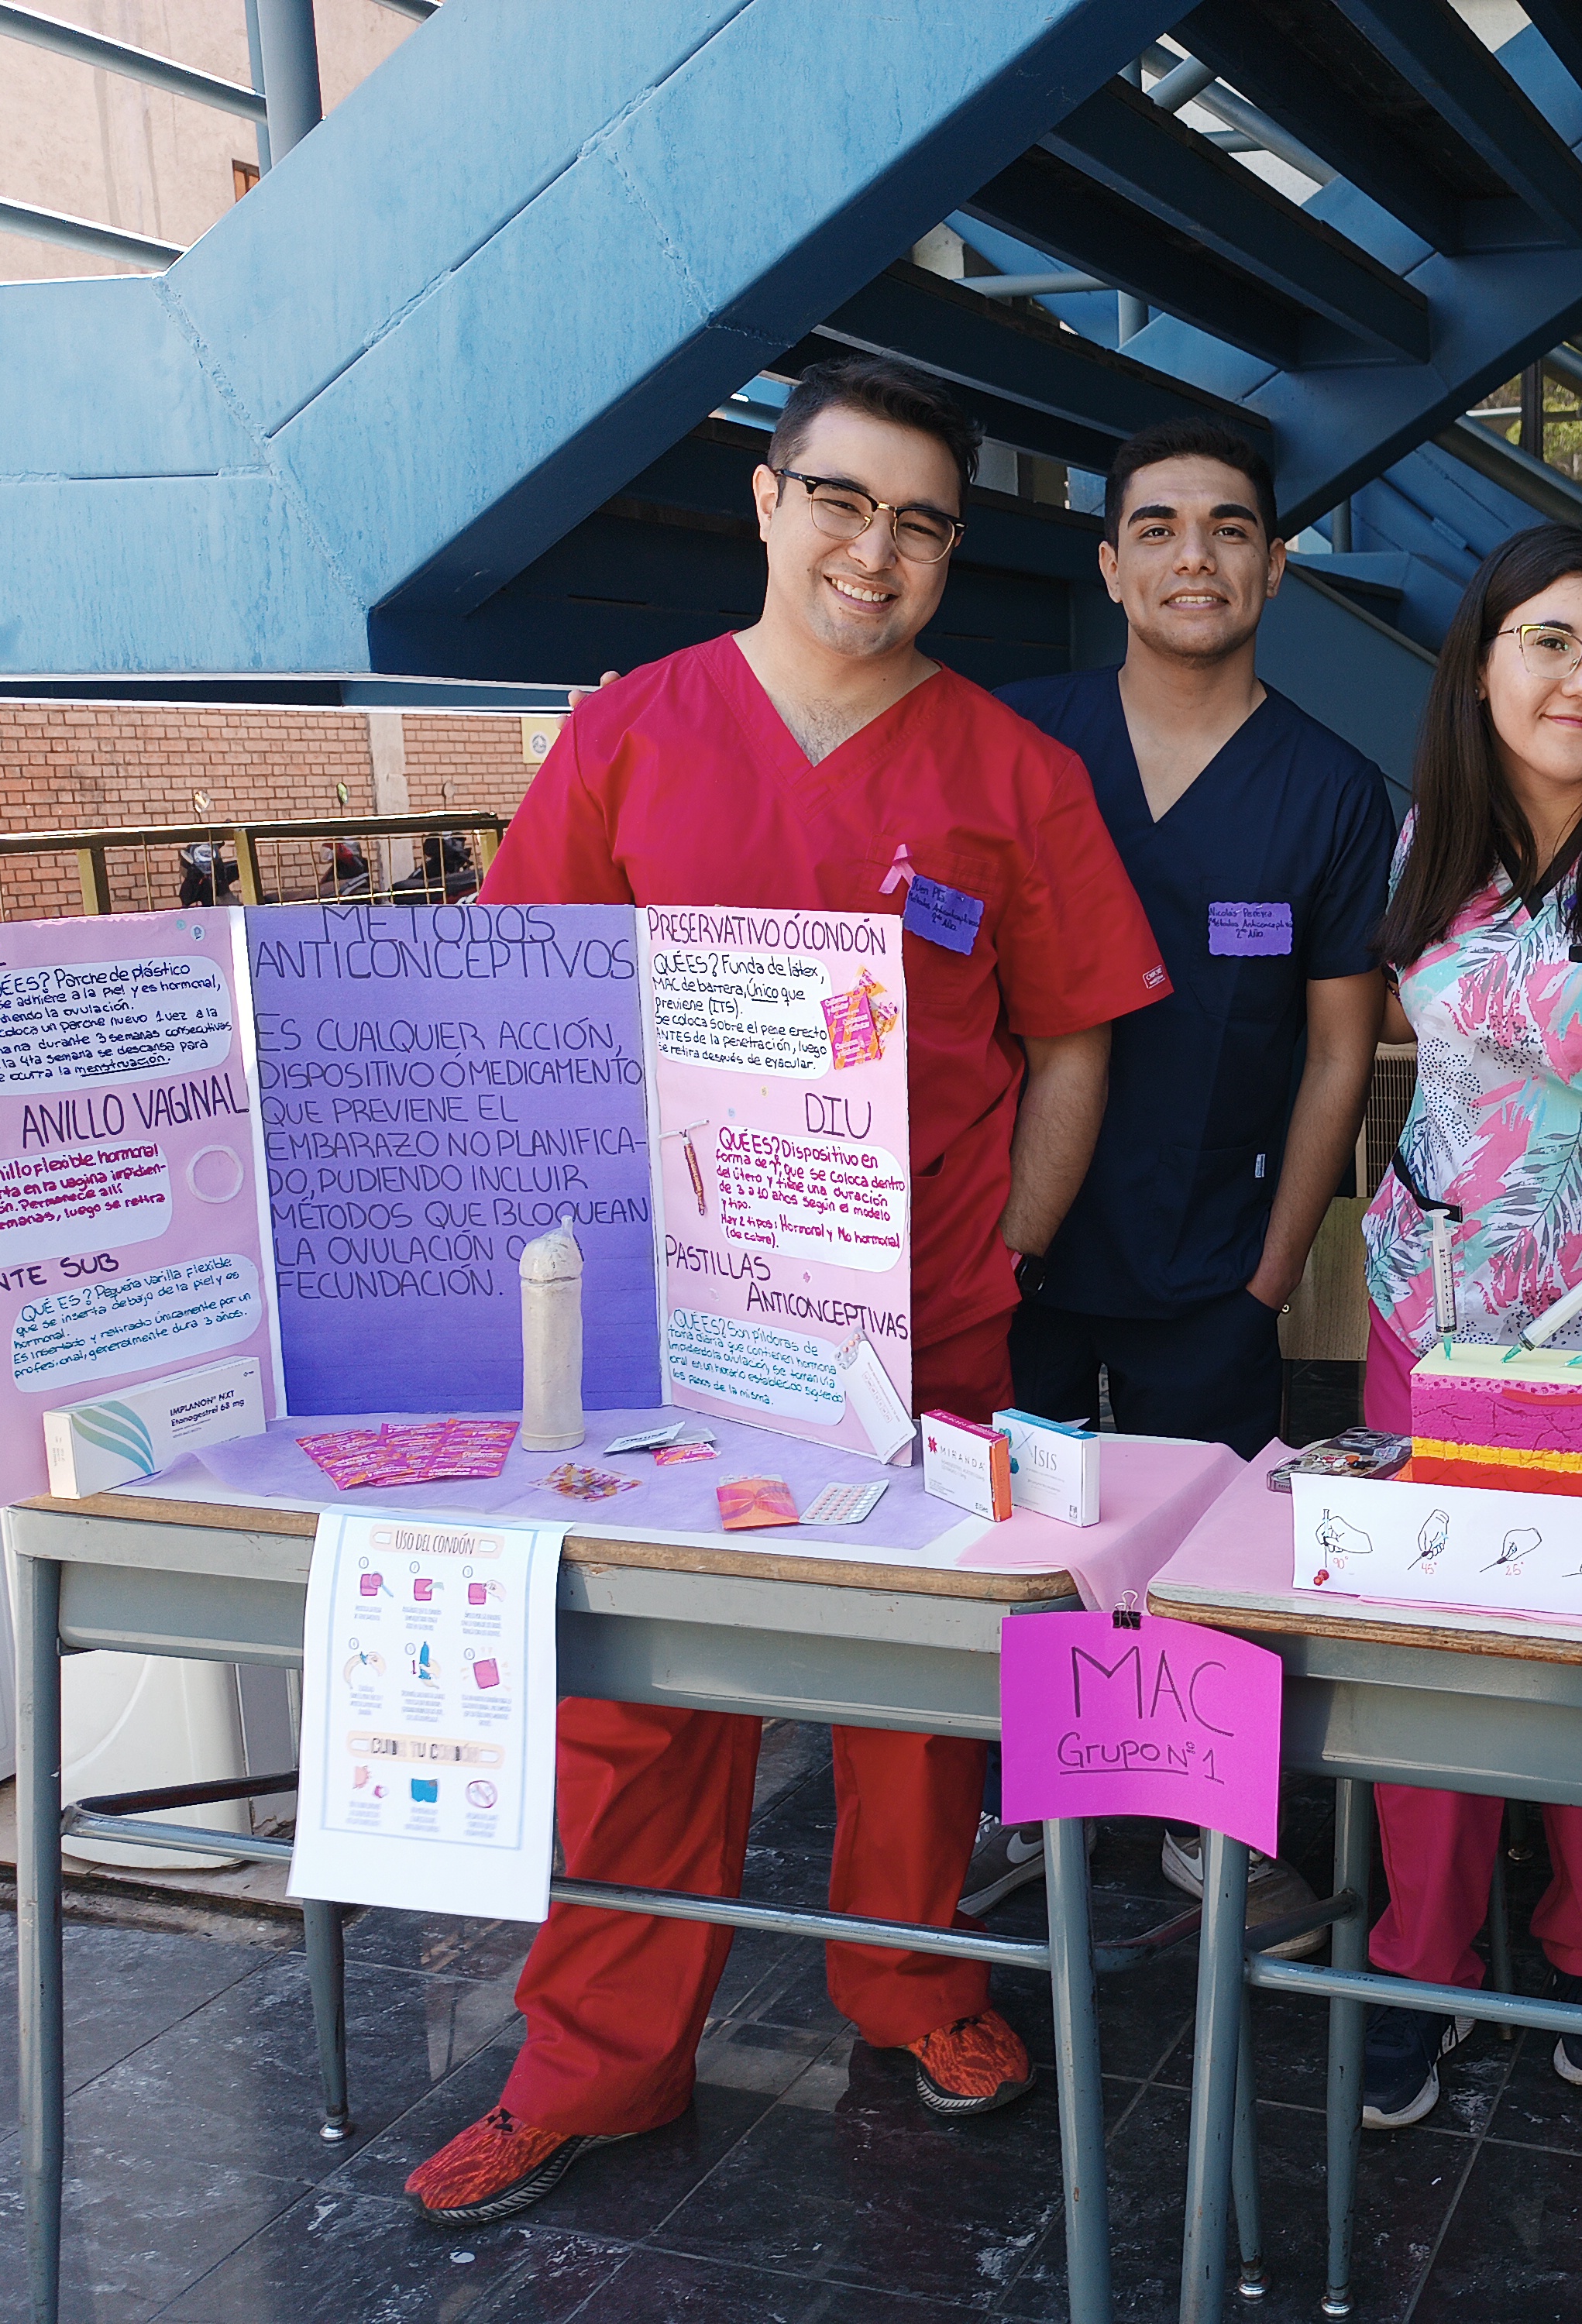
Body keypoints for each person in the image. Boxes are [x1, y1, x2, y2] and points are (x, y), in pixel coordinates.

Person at [401, 354, 1170, 2223]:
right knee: (640, 1705)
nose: (874, 548)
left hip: (936, 1320)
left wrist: (1012, 1251)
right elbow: (529, 1013)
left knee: (921, 1692)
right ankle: (599, 2062)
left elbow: (1072, 1042)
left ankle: (911, 1989)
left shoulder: (1012, 771)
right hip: (671, 1323)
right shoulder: (631, 738)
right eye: (841, 498)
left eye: (919, 520)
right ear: (768, 502)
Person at [982, 417, 1391, 1947]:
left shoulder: (1331, 792)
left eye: (1227, 528)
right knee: (1010, 1528)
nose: (1191, 556)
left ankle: (1192, 1822)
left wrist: (1271, 1275)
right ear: (1108, 561)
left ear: (1274, 567)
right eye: (1154, 527)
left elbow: (1338, 1055)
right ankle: (1019, 1799)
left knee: (1206, 1549)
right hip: (1012, 1239)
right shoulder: (1018, 746)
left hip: (1211, 1251)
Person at [1353, 523, 1582, 2128]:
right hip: (1432, 1303)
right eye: (1548, 641)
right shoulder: (1418, 840)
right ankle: (1418, 1963)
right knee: (1428, 1640)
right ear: (1482, 659)